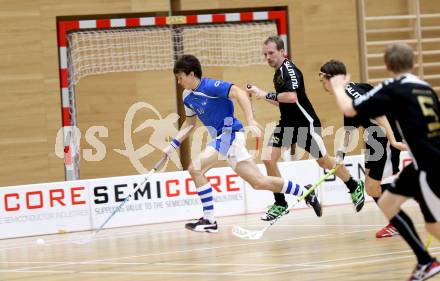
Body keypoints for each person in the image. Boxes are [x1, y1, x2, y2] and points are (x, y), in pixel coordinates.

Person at [163, 54, 322, 233]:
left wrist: (251, 120)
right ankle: (306, 192)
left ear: (192, 74)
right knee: (259, 182)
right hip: (223, 139)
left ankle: (209, 220)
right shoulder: (187, 96)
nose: (179, 82)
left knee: (195, 168)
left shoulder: (210, 86)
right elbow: (189, 123)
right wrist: (173, 144)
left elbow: (238, 92)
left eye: (180, 77)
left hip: (229, 134)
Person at [329, 43, 440, 281]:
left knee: (435, 228)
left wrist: (339, 87)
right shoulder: (426, 87)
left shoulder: (392, 87)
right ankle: (425, 261)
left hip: (429, 165)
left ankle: (426, 262)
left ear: (387, 66)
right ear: (415, 63)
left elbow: (350, 109)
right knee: (388, 202)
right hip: (421, 164)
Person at [246, 36, 365, 221]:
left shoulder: (289, 70)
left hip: (305, 124)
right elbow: (282, 103)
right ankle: (280, 203)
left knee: (324, 162)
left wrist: (265, 93)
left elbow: (292, 97)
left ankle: (353, 185)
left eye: (271, 53)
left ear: (282, 52)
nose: (267, 57)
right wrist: (260, 94)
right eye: (265, 54)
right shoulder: (277, 74)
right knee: (268, 159)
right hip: (287, 123)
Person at [319, 59, 407, 238]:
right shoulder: (345, 95)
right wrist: (340, 154)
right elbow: (350, 129)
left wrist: (393, 141)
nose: (322, 85)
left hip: (385, 135)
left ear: (332, 78)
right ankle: (396, 218)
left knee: (373, 185)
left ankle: (399, 218)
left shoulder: (351, 92)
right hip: (374, 137)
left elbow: (379, 113)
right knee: (370, 185)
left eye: (323, 81)